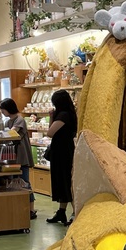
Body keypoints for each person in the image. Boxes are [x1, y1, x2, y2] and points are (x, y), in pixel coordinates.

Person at [0, 97, 36, 219]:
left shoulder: (20, 120)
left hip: (22, 156)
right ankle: (19, 208)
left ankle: (31, 209)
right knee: (14, 183)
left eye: (3, 109)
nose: (1, 112)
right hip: (12, 157)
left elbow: (12, 133)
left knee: (24, 182)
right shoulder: (7, 122)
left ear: (8, 108)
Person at [46, 89, 77, 224]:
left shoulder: (64, 115)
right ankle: (61, 212)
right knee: (62, 181)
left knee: (65, 182)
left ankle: (75, 213)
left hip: (62, 152)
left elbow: (50, 133)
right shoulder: (67, 114)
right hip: (63, 151)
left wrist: (52, 117)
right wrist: (52, 116)